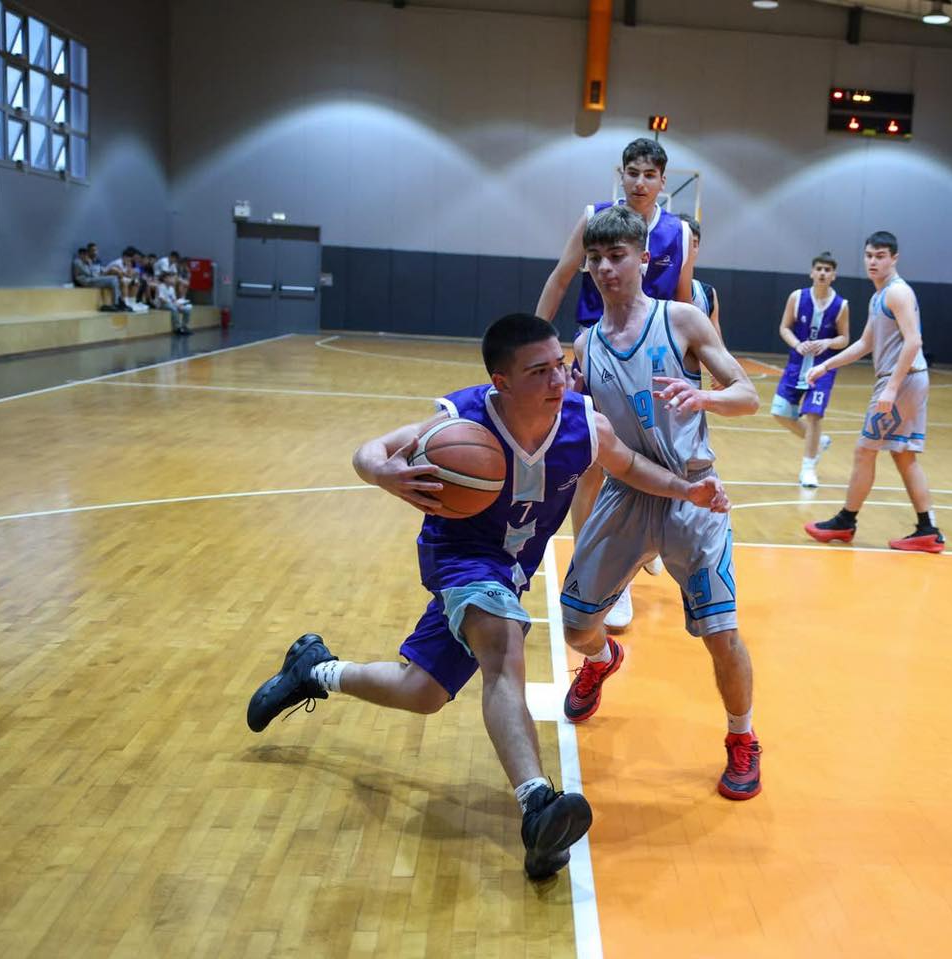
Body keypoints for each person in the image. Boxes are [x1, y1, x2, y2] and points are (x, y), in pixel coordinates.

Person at [245, 313, 730, 880]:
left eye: (561, 366)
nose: (559, 380)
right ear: (501, 382)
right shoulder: (463, 419)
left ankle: (314, 670)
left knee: (421, 691)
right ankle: (537, 806)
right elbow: (370, 449)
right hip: (460, 558)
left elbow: (627, 464)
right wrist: (383, 473)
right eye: (539, 371)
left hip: (509, 569)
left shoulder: (583, 424)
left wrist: (685, 489)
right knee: (503, 647)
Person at [557, 205, 764, 801]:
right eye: (595, 259)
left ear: (644, 259)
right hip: (626, 493)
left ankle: (742, 738)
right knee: (576, 628)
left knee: (720, 633)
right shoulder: (586, 345)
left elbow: (747, 395)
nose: (605, 268)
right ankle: (602, 659)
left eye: (617, 256)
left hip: (694, 495)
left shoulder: (683, 321)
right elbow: (589, 429)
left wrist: (706, 400)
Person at [536, 137, 696, 630]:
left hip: (655, 364)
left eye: (650, 175)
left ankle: (643, 546)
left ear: (663, 182)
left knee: (656, 461)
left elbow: (685, 301)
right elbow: (561, 277)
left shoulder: (678, 232)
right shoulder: (595, 218)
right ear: (620, 175)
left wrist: (693, 371)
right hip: (597, 357)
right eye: (632, 172)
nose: (640, 182)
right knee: (592, 466)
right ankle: (600, 573)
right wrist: (537, 343)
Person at [804, 231, 944, 553]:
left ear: (894, 258)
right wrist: (825, 365)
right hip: (910, 379)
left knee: (864, 451)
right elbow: (865, 344)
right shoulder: (879, 296)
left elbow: (914, 341)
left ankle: (845, 521)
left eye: (880, 256)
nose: (873, 262)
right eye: (869, 255)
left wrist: (891, 389)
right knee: (903, 454)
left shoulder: (897, 292)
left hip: (902, 380)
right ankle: (928, 530)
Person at [770, 251, 850, 488]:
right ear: (812, 272)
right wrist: (797, 344)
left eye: (828, 270)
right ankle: (818, 442)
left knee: (813, 415)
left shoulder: (841, 305)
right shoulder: (797, 297)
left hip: (823, 368)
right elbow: (784, 328)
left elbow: (845, 339)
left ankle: (808, 469)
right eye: (819, 269)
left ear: (834, 275)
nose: (823, 273)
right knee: (780, 412)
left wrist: (828, 342)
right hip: (797, 365)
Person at [73, 246, 128, 311]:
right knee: (113, 279)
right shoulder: (77, 262)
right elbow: (89, 274)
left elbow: (96, 272)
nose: (86, 256)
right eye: (84, 254)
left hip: (92, 279)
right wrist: (90, 264)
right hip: (87, 281)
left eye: (86, 255)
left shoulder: (85, 262)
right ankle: (116, 303)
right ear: (80, 254)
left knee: (115, 279)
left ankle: (120, 302)